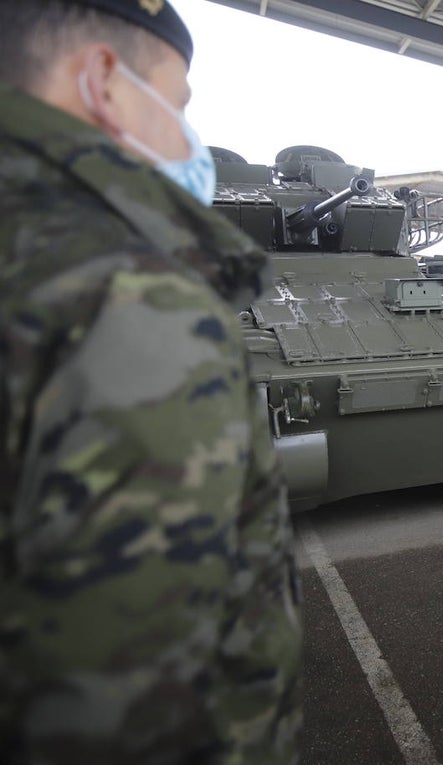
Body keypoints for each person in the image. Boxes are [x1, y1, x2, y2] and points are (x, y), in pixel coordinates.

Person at [0, 1, 301, 761]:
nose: (186, 135)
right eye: (180, 101)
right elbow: (126, 701)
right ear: (107, 79)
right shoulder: (122, 288)